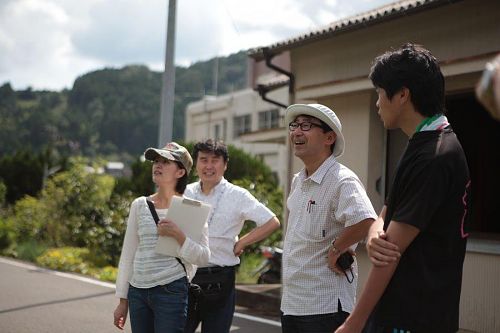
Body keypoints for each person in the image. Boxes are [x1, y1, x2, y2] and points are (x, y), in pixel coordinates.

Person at [335, 43, 471, 333]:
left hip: (415, 316)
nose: (377, 103)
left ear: (402, 95)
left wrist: (353, 323)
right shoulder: (423, 143)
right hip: (404, 312)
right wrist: (373, 234)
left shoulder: (435, 155)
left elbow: (390, 252)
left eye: (380, 93)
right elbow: (386, 213)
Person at [281, 103, 377, 333]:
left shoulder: (342, 179)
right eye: (294, 125)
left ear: (329, 137)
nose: (296, 132)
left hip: (324, 307)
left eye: (306, 125)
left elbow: (365, 220)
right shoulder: (298, 180)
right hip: (293, 303)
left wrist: (336, 249)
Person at [183, 139, 281, 333]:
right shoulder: (186, 192)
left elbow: (272, 222)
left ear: (225, 165)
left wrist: (243, 241)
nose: (209, 166)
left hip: (220, 279)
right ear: (196, 164)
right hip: (186, 276)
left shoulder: (238, 195)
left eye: (215, 160)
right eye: (203, 160)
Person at [113, 142, 210, 333]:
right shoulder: (139, 205)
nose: (158, 165)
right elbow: (128, 255)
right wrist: (122, 301)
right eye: (156, 161)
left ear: (180, 172)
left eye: (166, 162)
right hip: (137, 292)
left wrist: (178, 236)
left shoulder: (192, 209)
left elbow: (203, 257)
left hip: (171, 290)